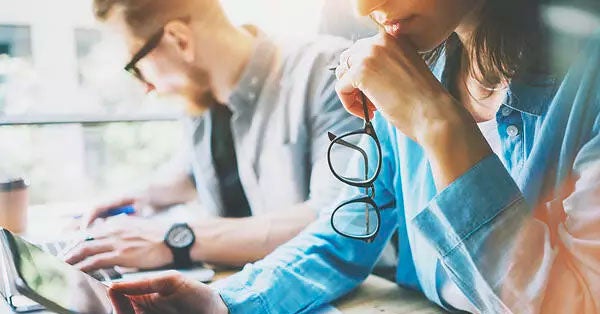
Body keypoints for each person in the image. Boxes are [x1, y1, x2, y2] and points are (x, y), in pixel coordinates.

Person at [108, 0, 600, 313]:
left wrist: (437, 123)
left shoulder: (589, 84)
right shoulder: (411, 65)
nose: (366, 7)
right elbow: (344, 234)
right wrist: (225, 301)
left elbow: (573, 304)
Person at [65, 0, 361, 272]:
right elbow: (195, 175)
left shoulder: (328, 72)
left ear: (179, 40)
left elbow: (340, 220)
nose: (147, 87)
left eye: (136, 68)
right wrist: (135, 201)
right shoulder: (202, 99)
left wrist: (176, 238)